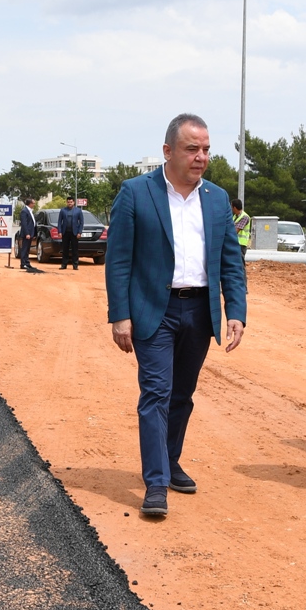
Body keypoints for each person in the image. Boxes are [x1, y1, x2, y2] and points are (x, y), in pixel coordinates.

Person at [105, 113, 248, 518]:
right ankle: (155, 483)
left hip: (200, 310)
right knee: (156, 393)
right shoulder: (136, 192)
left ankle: (169, 462)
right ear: (168, 151)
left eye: (206, 149)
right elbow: (118, 260)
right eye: (192, 149)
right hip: (155, 309)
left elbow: (230, 260)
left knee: (182, 395)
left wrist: (235, 310)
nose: (201, 157)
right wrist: (120, 314)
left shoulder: (217, 199)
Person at [58, 199, 85, 270]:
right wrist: (59, 231)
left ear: (74, 202)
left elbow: (81, 222)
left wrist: (79, 232)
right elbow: (59, 222)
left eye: (71, 202)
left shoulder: (78, 211)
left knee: (75, 249)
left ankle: (75, 265)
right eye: (68, 202)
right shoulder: (63, 210)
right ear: (66, 202)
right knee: (65, 249)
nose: (70, 203)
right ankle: (64, 265)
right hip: (65, 233)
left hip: (74, 233)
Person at [16, 197, 40, 271]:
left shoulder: (30, 211)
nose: (34, 204)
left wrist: (33, 233)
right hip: (27, 234)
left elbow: (32, 223)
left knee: (27, 249)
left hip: (31, 233)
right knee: (24, 249)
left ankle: (27, 263)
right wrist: (27, 233)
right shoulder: (24, 211)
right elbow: (24, 223)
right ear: (30, 204)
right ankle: (23, 264)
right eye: (33, 203)